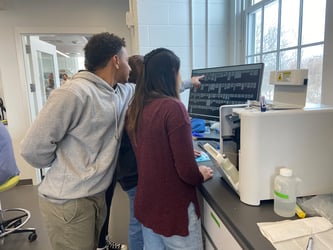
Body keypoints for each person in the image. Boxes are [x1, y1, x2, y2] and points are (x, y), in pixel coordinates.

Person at [20, 32, 135, 250]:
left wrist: (186, 82)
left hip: (94, 196)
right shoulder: (73, 93)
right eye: (127, 61)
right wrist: (68, 163)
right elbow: (31, 149)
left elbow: (152, 90)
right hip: (68, 201)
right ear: (116, 60)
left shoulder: (119, 92)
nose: (130, 68)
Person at [126, 48, 213, 249]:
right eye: (180, 72)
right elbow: (187, 173)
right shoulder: (173, 108)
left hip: (148, 206)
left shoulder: (137, 107)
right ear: (171, 74)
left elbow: (151, 151)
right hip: (174, 211)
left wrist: (179, 149)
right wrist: (200, 174)